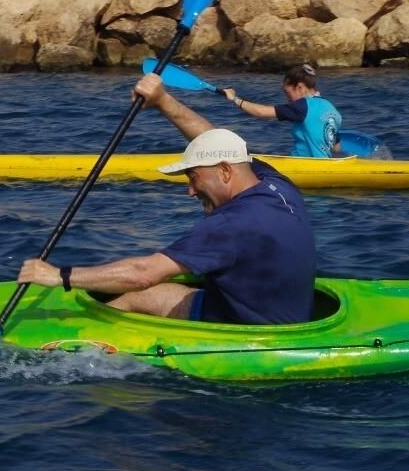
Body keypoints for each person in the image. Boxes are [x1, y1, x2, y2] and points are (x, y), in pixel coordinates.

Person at [16, 74, 316, 325]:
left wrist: (58, 275)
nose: (190, 190)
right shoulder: (276, 185)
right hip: (283, 310)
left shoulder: (230, 224)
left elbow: (143, 275)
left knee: (139, 294)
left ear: (225, 171)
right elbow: (212, 137)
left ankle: (81, 342)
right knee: (165, 288)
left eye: (193, 177)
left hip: (247, 327)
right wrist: (162, 101)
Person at [221, 63, 342, 158]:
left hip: (303, 164)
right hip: (325, 164)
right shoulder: (331, 109)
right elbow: (336, 148)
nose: (288, 99)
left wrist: (234, 99)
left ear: (299, 87)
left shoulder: (302, 106)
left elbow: (260, 112)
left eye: (288, 93)